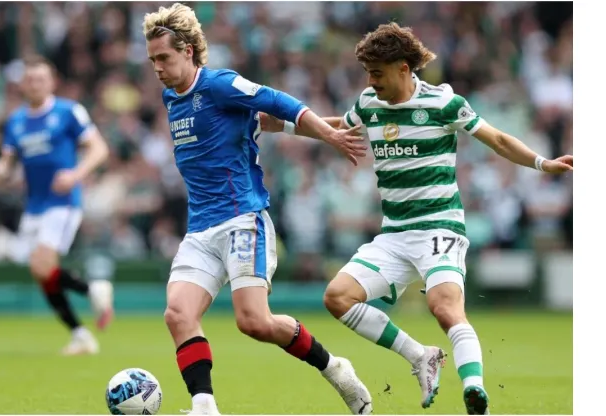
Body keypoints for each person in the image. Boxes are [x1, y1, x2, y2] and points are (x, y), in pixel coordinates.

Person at [259, 22, 574, 416]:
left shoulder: (445, 104)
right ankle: (420, 356)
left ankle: (474, 390)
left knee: (444, 307)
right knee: (337, 297)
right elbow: (340, 127)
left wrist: (543, 164)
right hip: (394, 234)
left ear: (404, 69)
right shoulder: (369, 104)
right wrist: (284, 125)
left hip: (440, 227)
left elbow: (497, 139)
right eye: (368, 74)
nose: (371, 82)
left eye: (378, 73)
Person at [142, 3, 372, 415]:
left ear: (189, 52)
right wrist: (327, 126)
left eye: (164, 57)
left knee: (254, 323)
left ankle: (334, 367)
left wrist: (329, 135)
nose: (157, 67)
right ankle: (205, 406)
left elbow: (275, 102)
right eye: (152, 59)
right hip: (200, 230)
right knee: (178, 314)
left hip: (242, 221)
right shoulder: (171, 98)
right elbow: (255, 122)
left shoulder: (219, 84)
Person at [0, 55, 114, 356]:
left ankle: (92, 294)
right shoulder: (16, 121)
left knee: (42, 264)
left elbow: (99, 149)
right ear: (22, 85)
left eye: (41, 79)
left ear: (52, 81)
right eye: (30, 80)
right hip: (34, 205)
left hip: (63, 202)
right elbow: (7, 162)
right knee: (42, 271)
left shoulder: (69, 112)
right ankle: (81, 329)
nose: (35, 84)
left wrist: (75, 174)